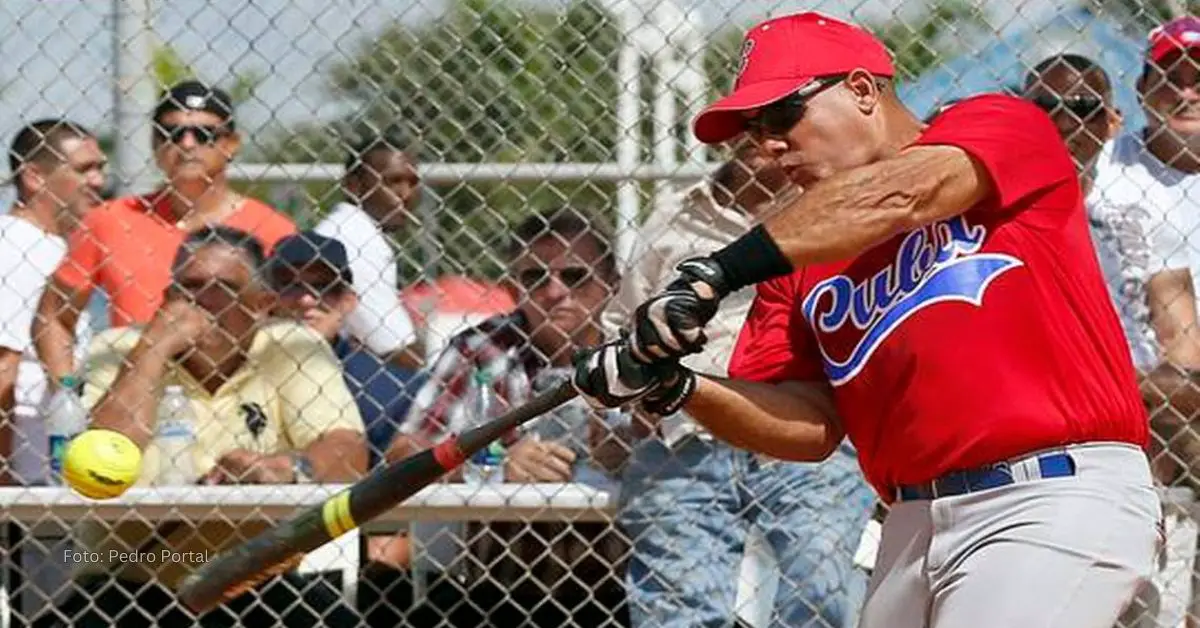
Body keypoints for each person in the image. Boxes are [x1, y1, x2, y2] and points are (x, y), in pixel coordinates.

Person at [571, 12, 1160, 628]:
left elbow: (902, 195)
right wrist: (677, 385)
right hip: (909, 526)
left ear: (860, 89)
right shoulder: (795, 260)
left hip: (1047, 495)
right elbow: (809, 424)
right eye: (752, 130)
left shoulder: (1000, 125)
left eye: (781, 117)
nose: (767, 145)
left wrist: (717, 272)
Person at [601, 139, 874, 628]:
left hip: (803, 432)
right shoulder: (675, 218)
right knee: (678, 608)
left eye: (769, 122)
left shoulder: (830, 208)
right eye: (741, 125)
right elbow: (621, 325)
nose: (755, 138)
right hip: (690, 438)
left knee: (820, 591)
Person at [38, 227, 365, 628]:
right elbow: (106, 453)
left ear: (261, 304)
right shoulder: (120, 348)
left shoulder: (291, 346)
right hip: (131, 576)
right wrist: (155, 348)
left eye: (224, 289)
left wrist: (290, 468)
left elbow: (347, 448)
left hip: (254, 576)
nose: (202, 302)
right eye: (189, 287)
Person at [367, 209, 629, 628]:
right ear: (513, 289)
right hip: (498, 585)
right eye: (535, 278)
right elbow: (403, 455)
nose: (554, 291)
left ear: (611, 283)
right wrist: (490, 465)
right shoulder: (481, 347)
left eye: (575, 276)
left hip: (621, 582)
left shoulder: (640, 352)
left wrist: (637, 455)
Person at [33, 80, 296, 390]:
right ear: (155, 144)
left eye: (204, 134)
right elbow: (52, 315)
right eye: (172, 133)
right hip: (135, 397)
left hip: (237, 397)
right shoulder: (110, 221)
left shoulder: (273, 229)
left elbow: (290, 325)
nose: (186, 144)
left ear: (231, 145)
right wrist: (66, 392)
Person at [0, 119, 106, 486]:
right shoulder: (14, 246)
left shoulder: (55, 245)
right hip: (28, 478)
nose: (98, 181)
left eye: (100, 168)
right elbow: (3, 365)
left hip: (53, 471)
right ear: (35, 177)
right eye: (84, 169)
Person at [312, 130, 421, 367]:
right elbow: (397, 348)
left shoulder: (345, 228)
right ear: (353, 186)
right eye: (393, 182)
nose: (405, 195)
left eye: (412, 182)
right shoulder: (355, 239)